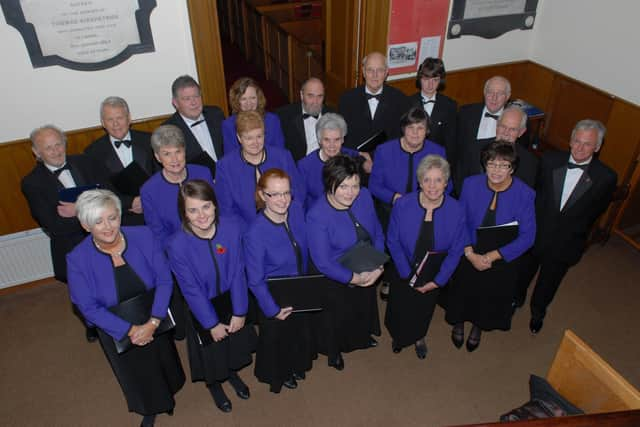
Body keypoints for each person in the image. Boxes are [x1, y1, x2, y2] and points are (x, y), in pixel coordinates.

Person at [67, 189, 185, 427]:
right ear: (85, 225)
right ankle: (150, 408)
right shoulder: (77, 258)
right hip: (115, 326)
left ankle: (170, 392)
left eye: (112, 217)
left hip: (154, 313)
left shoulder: (144, 235)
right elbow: (88, 307)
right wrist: (131, 330)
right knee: (136, 370)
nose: (108, 227)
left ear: (120, 216)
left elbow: (164, 280)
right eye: (98, 221)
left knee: (163, 359)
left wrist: (153, 322)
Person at [517, 120, 617, 334]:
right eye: (577, 141)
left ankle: (538, 312)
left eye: (587, 144)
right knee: (523, 272)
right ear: (570, 141)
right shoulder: (549, 161)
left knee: (549, 283)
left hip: (567, 242)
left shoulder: (606, 177)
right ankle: (516, 299)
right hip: (537, 233)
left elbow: (594, 212)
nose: (580, 148)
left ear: (597, 147)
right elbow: (537, 195)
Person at [167, 180, 254, 413]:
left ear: (215, 205)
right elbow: (190, 290)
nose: (201, 215)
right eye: (192, 210)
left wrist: (240, 310)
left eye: (206, 207)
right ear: (184, 214)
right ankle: (214, 385)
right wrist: (211, 323)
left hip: (230, 297)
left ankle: (232, 374)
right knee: (210, 353)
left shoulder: (231, 227)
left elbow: (237, 270)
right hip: (202, 306)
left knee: (231, 346)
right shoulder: (177, 245)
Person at [21, 124, 111, 342]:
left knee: (115, 282)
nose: (55, 151)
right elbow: (53, 224)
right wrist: (91, 210)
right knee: (85, 292)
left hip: (107, 233)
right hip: (71, 243)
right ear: (37, 152)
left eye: (58, 144)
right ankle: (92, 325)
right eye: (48, 148)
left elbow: (109, 194)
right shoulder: (32, 183)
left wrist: (78, 209)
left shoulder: (84, 161)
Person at [445, 141, 535, 352]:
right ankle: (458, 322)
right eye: (492, 163)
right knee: (463, 289)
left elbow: (528, 236)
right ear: (484, 164)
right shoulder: (470, 184)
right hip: (469, 247)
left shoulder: (525, 194)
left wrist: (492, 256)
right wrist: (469, 252)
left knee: (488, 293)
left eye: (503, 165)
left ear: (512, 168)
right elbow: (461, 220)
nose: (496, 170)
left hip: (502, 254)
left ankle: (478, 327)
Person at [307, 155, 384, 370]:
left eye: (355, 185)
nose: (351, 193)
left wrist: (378, 265)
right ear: (330, 184)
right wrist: (354, 278)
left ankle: (361, 337)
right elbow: (322, 262)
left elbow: (377, 232)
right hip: (335, 274)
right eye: (343, 187)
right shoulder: (316, 216)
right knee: (337, 316)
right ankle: (335, 351)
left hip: (365, 262)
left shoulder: (365, 196)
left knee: (361, 306)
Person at [244, 169, 317, 393]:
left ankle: (296, 365)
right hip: (273, 295)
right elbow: (255, 280)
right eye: (274, 194)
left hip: (299, 285)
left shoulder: (295, 210)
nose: (282, 200)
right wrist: (272, 309)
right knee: (278, 339)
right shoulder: (254, 233)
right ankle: (280, 373)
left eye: (286, 193)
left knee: (299, 332)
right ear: (262, 195)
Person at [385, 155, 465, 358]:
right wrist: (404, 272)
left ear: (446, 183)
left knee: (423, 308)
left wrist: (439, 281)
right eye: (427, 180)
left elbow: (456, 250)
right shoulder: (403, 204)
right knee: (400, 305)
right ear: (419, 182)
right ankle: (399, 336)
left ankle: (419, 336)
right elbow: (392, 240)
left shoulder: (457, 209)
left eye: (438, 180)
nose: (432, 186)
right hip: (404, 268)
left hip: (433, 272)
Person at [369, 107, 451, 301]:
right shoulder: (384, 150)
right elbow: (374, 185)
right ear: (403, 128)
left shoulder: (437, 151)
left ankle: (419, 276)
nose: (415, 132)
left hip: (424, 210)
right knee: (391, 246)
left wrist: (427, 201)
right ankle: (389, 279)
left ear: (427, 131)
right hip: (391, 209)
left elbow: (447, 185)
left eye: (420, 128)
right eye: (410, 127)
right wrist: (395, 197)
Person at [215, 111, 303, 229]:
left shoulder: (283, 157)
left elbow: (297, 194)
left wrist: (286, 222)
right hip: (246, 231)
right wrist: (252, 233)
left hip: (286, 224)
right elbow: (227, 211)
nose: (255, 143)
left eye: (259, 136)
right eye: (249, 138)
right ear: (239, 138)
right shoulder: (225, 166)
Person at [84, 96, 158, 225]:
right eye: (110, 119)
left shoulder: (149, 141)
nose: (116, 124)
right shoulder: (93, 152)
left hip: (155, 211)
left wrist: (146, 199)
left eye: (120, 118)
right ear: (103, 123)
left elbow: (161, 175)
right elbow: (100, 191)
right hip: (120, 219)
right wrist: (130, 202)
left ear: (129, 118)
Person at [140, 125, 215, 250]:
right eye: (167, 154)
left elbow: (218, 211)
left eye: (178, 152)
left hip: (212, 240)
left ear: (184, 151)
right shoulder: (149, 190)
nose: (174, 159)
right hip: (178, 250)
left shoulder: (203, 173)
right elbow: (158, 234)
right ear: (158, 157)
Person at [338, 51, 411, 171]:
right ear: (363, 71)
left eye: (380, 70)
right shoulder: (347, 99)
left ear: (387, 72)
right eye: (370, 70)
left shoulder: (401, 100)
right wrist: (361, 160)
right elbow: (343, 138)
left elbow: (400, 137)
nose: (374, 75)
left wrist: (376, 160)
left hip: (388, 164)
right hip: (354, 165)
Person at [455, 76, 511, 194]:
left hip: (499, 186)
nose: (494, 98)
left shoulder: (514, 121)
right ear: (484, 93)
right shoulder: (465, 113)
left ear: (507, 96)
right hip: (465, 182)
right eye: (490, 92)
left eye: (500, 94)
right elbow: (457, 151)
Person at [463, 105, 538, 188]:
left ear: (521, 132)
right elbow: (461, 180)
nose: (506, 133)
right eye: (503, 126)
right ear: (497, 125)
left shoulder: (529, 162)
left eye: (512, 129)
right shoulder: (474, 148)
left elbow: (524, 194)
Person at [297, 113, 360, 210]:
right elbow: (300, 202)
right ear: (319, 140)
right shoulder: (305, 166)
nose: (332, 145)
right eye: (327, 140)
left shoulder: (352, 159)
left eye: (336, 140)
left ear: (343, 139)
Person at [163, 75, 224, 175]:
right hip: (195, 184)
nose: (194, 102)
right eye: (187, 99)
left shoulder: (216, 114)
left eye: (196, 96)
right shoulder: (168, 130)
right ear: (175, 103)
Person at [409, 57, 458, 165]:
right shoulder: (408, 103)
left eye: (435, 80)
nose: (430, 85)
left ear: (440, 80)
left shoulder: (450, 105)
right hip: (412, 158)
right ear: (420, 79)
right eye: (426, 79)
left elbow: (451, 142)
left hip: (438, 161)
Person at [276, 77, 335, 161]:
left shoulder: (332, 115)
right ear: (301, 95)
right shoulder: (284, 116)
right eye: (310, 96)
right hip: (297, 168)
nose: (315, 101)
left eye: (320, 96)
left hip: (327, 165)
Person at [222, 77, 285, 154]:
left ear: (258, 98)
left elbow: (280, 151)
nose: (249, 103)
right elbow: (230, 157)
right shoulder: (228, 125)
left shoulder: (272, 120)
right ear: (236, 101)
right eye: (243, 99)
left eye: (253, 98)